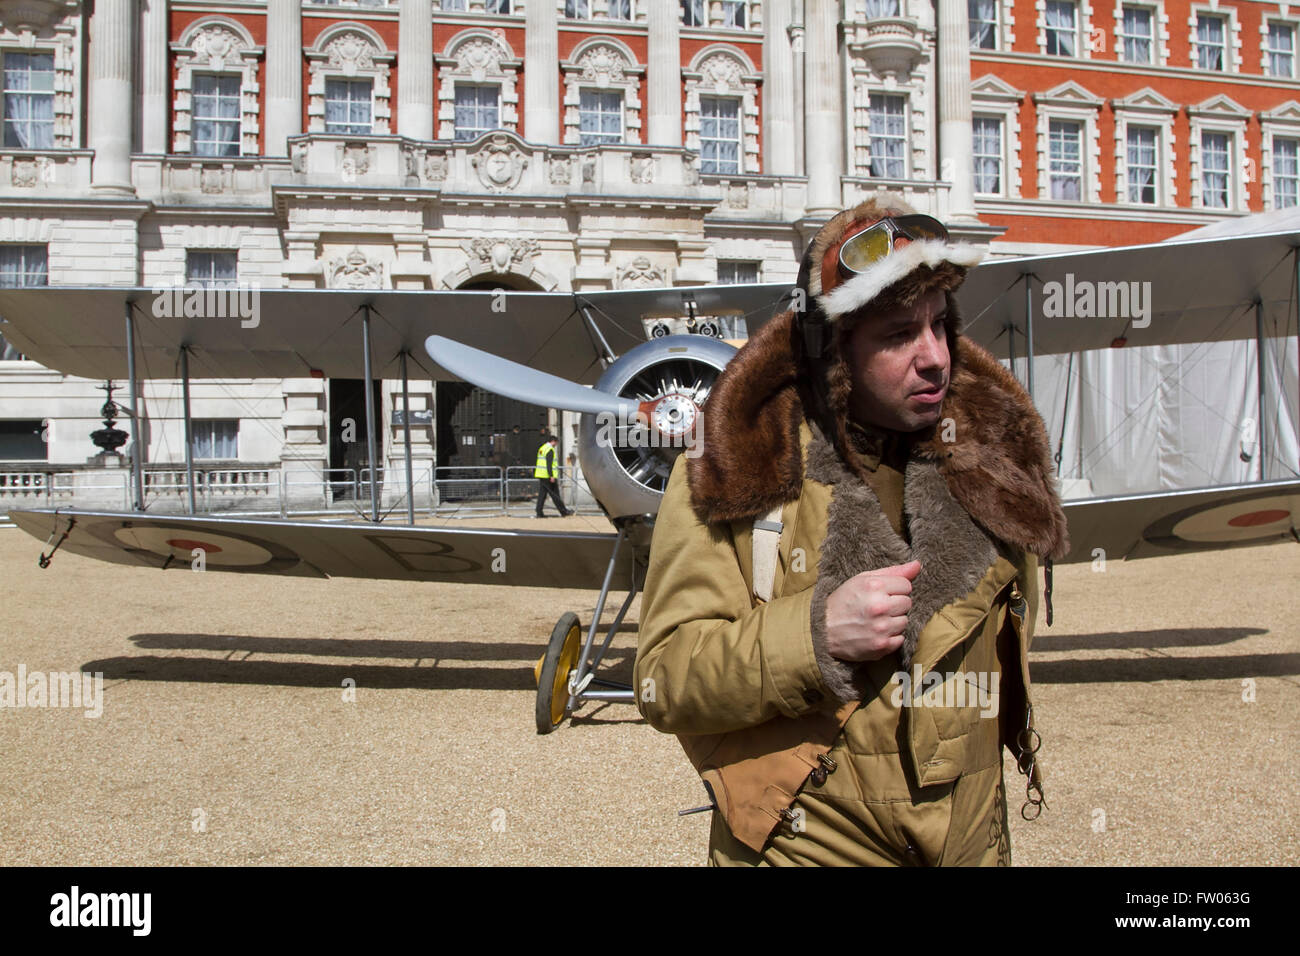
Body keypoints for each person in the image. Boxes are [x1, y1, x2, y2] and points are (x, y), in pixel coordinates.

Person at [634, 197, 1070, 866]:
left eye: (938, 325)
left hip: (974, 838)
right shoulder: (732, 460)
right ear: (835, 350)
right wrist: (813, 635)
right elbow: (665, 677)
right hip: (807, 841)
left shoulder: (997, 461)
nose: (933, 357)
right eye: (898, 333)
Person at [534, 434, 570, 518]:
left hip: (541, 474)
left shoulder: (542, 448)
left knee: (542, 494)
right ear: (553, 441)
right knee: (555, 494)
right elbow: (549, 464)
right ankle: (563, 511)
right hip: (547, 475)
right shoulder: (549, 449)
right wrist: (551, 476)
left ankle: (539, 511)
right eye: (556, 443)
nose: (556, 445)